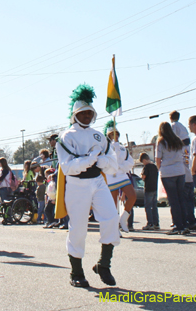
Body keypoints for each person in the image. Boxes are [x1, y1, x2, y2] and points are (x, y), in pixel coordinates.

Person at [57, 84, 119, 288]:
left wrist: (99, 161)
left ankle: (104, 264)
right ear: (75, 114)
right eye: (82, 113)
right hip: (77, 185)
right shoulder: (67, 136)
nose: (86, 116)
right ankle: (76, 272)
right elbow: (68, 167)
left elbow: (112, 164)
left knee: (111, 218)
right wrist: (90, 158)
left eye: (89, 113)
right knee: (79, 228)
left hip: (98, 182)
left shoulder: (99, 136)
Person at [101, 121, 136, 234]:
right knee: (113, 204)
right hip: (111, 176)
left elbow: (130, 162)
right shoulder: (106, 148)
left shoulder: (122, 148)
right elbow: (105, 162)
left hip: (121, 175)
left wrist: (120, 167)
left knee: (132, 196)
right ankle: (114, 228)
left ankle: (124, 218)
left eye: (116, 134)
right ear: (108, 136)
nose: (114, 136)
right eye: (112, 134)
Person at [155, 122, 189, 235]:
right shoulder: (178, 140)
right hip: (180, 171)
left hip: (167, 172)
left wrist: (159, 169)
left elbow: (158, 159)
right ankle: (184, 224)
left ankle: (178, 226)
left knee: (173, 200)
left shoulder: (161, 142)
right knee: (181, 199)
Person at [169, 111, 196, 231]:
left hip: (182, 175)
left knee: (183, 199)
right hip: (189, 174)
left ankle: (186, 220)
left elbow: (170, 140)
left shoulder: (173, 127)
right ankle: (192, 220)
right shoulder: (184, 130)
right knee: (189, 199)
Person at [139, 153, 159, 230]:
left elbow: (144, 177)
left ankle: (150, 223)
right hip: (155, 188)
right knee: (154, 207)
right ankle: (156, 223)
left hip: (148, 188)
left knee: (148, 207)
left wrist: (141, 174)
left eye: (142, 162)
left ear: (144, 160)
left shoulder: (146, 167)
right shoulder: (154, 166)